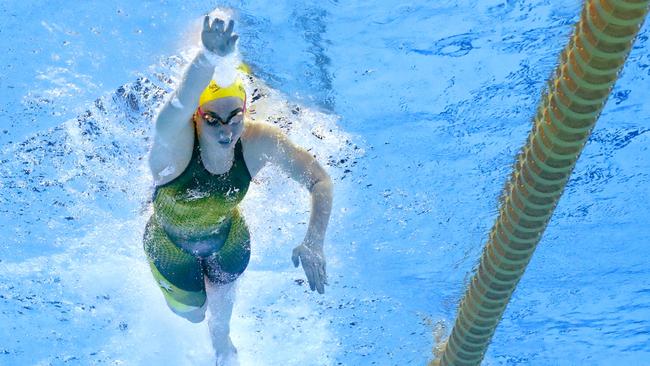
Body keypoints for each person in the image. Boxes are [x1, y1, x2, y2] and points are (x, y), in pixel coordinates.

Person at [143, 15, 333, 365]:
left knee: (222, 304)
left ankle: (223, 345)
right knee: (194, 314)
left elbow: (319, 179)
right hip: (170, 244)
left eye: (235, 117)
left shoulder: (257, 141)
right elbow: (175, 107)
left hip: (227, 236)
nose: (226, 130)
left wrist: (314, 240)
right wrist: (207, 59)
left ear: (245, 111)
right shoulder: (176, 143)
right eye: (213, 119)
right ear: (198, 117)